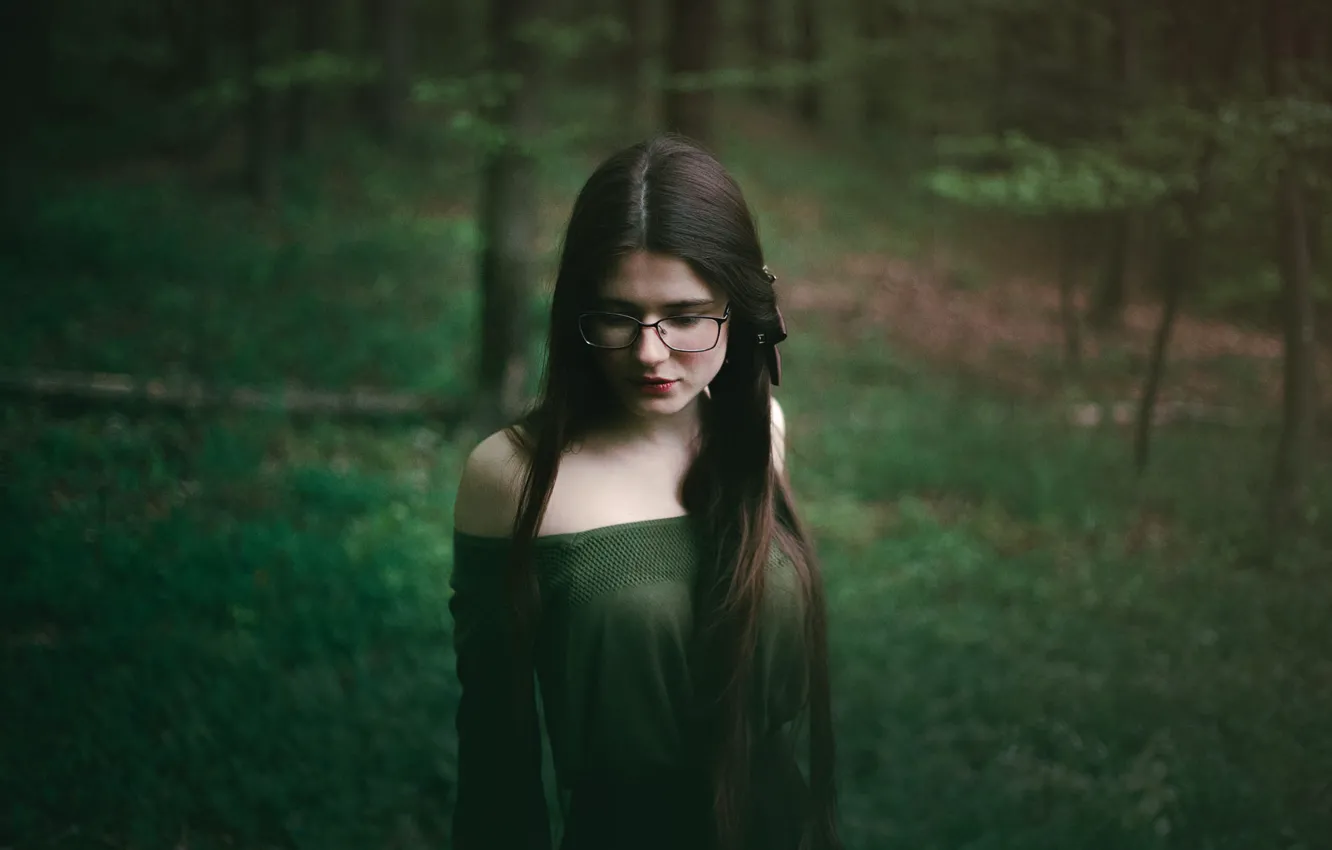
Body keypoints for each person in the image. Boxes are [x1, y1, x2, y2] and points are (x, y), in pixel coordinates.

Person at [448, 134, 839, 850]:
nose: (650, 352)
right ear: (577, 314)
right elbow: (495, 767)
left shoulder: (760, 435)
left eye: (686, 316)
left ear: (741, 307)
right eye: (618, 316)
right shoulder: (511, 476)